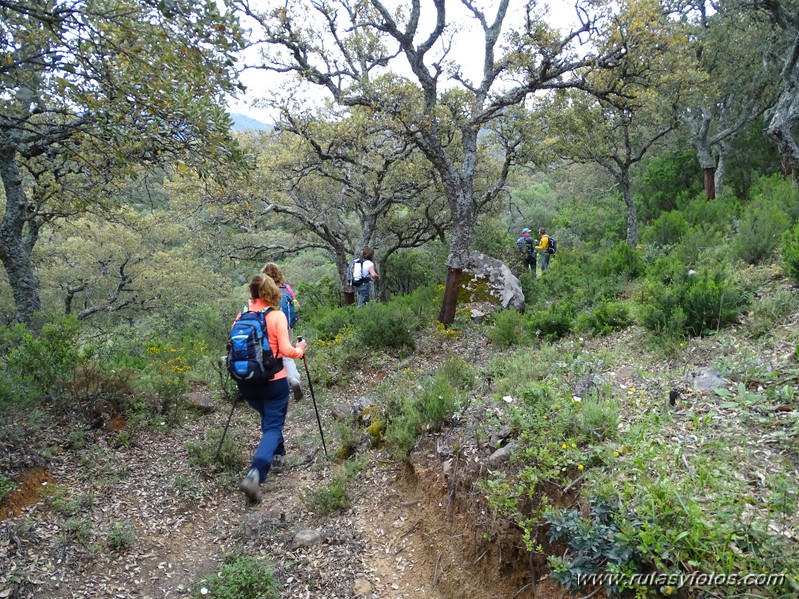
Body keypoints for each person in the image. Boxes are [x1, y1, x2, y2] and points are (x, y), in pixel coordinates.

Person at [235, 273, 307, 503]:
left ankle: (279, 454)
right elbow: (286, 350)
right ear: (272, 292)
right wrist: (301, 349)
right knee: (273, 426)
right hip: (274, 381)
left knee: (269, 420)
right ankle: (255, 473)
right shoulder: (276, 316)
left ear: (252, 292)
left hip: (246, 382)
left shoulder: (242, 315)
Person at [260, 262, 303, 402]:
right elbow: (296, 305)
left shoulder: (263, 290)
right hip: (286, 324)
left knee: (268, 353)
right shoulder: (287, 288)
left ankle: (269, 384)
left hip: (268, 325)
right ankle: (294, 379)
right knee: (287, 353)